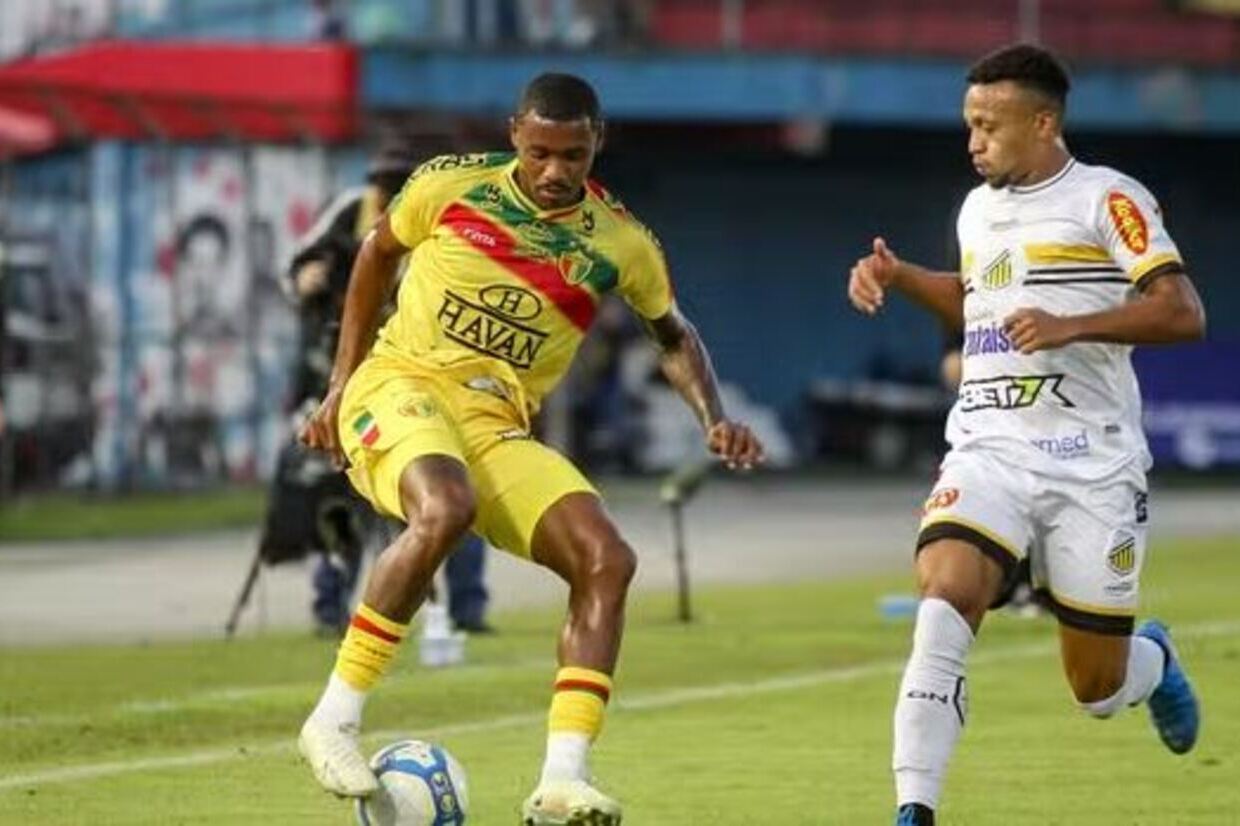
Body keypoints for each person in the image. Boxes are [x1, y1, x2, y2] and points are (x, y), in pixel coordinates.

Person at [297, 72, 763, 823]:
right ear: (515, 133)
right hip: (401, 385)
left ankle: (562, 781)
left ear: (596, 145)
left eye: (572, 156)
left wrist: (712, 415)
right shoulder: (450, 187)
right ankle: (334, 720)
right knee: (445, 507)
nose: (553, 171)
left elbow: (674, 336)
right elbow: (376, 255)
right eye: (540, 152)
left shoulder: (620, 242)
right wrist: (339, 384)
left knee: (606, 559)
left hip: (494, 423)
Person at [846, 44, 1205, 826]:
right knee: (943, 602)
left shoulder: (1108, 198)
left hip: (1092, 464)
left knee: (1097, 689)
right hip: (989, 448)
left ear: (1043, 123)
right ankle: (914, 808)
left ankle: (1153, 659)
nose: (974, 142)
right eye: (969, 125)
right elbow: (978, 303)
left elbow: (1183, 312)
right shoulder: (977, 210)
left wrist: (1071, 325)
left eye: (989, 125)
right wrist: (900, 277)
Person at [269, 142, 493, 635]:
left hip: (422, 377)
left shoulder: (444, 220)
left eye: (398, 186)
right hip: (348, 377)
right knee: (338, 492)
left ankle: (465, 608)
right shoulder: (351, 211)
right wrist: (305, 280)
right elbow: (295, 266)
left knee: (456, 488)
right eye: (383, 186)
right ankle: (330, 605)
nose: (388, 196)